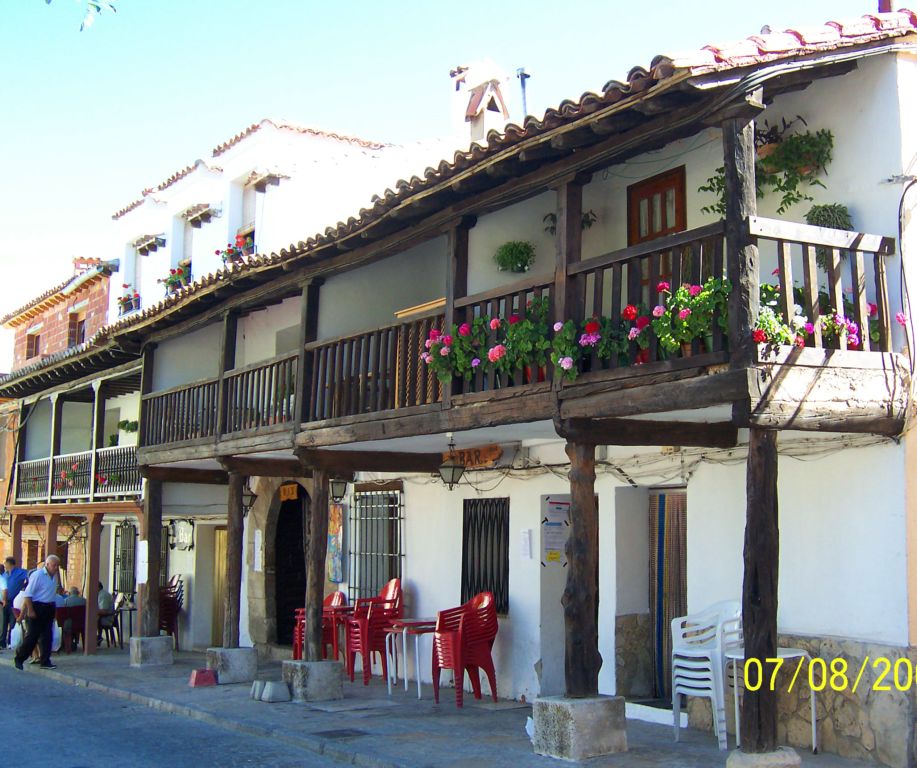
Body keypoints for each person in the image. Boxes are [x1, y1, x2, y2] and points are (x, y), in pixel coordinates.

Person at [13, 555, 64, 670]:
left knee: (47, 636)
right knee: (32, 636)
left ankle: (45, 661)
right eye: (54, 565)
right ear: (47, 564)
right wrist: (30, 610)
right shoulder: (38, 575)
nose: (56, 567)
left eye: (57, 565)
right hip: (38, 606)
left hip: (49, 607)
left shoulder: (54, 577)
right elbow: (28, 594)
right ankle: (19, 658)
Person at [1, 558, 28, 650]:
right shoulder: (4, 574)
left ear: (9, 563)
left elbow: (30, 576)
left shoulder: (20, 572)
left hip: (13, 601)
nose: (4, 565)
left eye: (5, 563)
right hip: (3, 602)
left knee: (12, 622)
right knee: (3, 622)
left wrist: (25, 587)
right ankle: (2, 642)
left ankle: (11, 642)